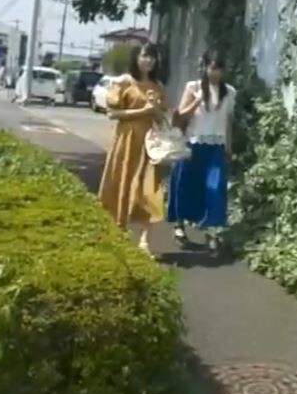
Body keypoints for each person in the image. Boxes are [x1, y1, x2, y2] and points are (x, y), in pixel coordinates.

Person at [98, 42, 170, 256]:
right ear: (136, 58)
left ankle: (145, 239)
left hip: (149, 142)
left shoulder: (158, 86)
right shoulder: (124, 82)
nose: (148, 61)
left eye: (152, 57)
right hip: (126, 139)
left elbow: (161, 117)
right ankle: (117, 228)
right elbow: (112, 113)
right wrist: (142, 111)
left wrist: (155, 110)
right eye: (144, 56)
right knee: (121, 181)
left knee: (149, 188)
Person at [167, 49, 234, 254]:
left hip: (216, 146)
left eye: (219, 68)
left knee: (214, 188)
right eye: (211, 68)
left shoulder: (229, 92)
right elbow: (180, 115)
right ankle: (179, 226)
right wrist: (197, 100)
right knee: (184, 186)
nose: (215, 72)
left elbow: (227, 122)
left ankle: (212, 231)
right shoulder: (193, 87)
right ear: (204, 67)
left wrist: (229, 147)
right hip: (192, 144)